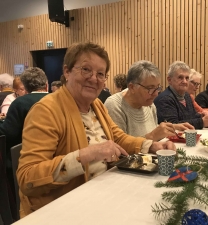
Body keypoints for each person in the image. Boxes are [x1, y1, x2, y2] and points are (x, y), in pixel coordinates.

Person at [17, 42, 175, 218]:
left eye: (101, 74)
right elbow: (27, 177)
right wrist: (86, 154)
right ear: (67, 71)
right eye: (86, 69)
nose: (94, 78)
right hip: (64, 210)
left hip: (102, 196)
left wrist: (151, 146)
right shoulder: (46, 110)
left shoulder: (96, 104)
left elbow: (117, 137)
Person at [0, 67, 49, 219]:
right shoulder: (57, 99)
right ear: (46, 85)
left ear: (25, 87)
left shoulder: (20, 103)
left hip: (23, 164)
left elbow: (8, 133)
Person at [105, 60, 194, 141]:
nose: (156, 94)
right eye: (150, 88)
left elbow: (151, 130)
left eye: (158, 87)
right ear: (132, 87)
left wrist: (173, 127)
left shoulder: (149, 103)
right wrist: (152, 136)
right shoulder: (114, 106)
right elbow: (118, 147)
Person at [154, 61, 208, 129]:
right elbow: (172, 126)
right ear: (169, 80)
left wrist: (202, 115)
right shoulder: (165, 99)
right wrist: (202, 122)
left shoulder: (186, 96)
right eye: (180, 77)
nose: (184, 81)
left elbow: (193, 115)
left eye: (187, 78)